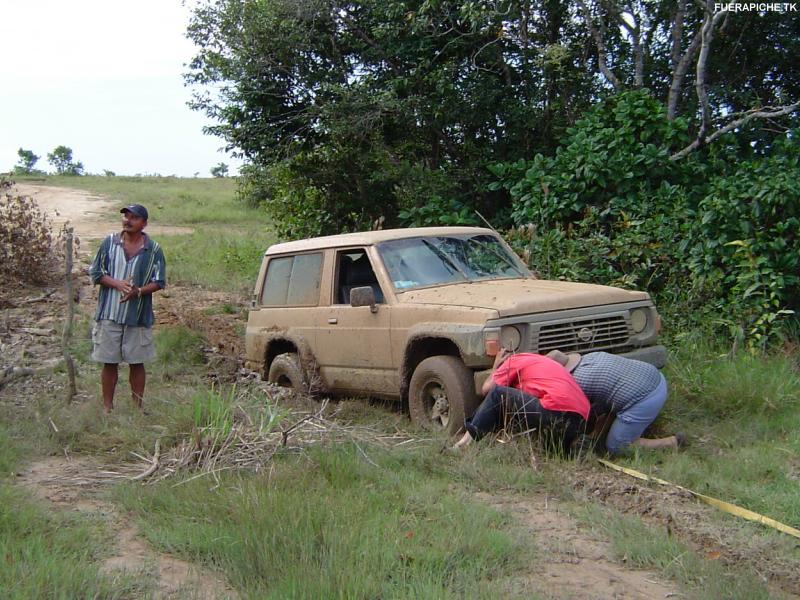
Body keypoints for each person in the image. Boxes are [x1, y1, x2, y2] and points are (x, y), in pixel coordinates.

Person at [89, 204, 166, 413]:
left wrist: (138, 291)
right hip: (109, 314)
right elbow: (96, 273)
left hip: (138, 315)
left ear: (144, 223)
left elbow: (159, 281)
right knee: (109, 362)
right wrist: (117, 284)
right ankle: (107, 408)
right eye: (126, 216)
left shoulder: (154, 249)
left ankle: (138, 407)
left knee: (137, 362)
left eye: (134, 218)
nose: (128, 221)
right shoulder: (109, 243)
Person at [547, 350, 685, 455]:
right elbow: (606, 404)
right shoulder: (592, 356)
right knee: (610, 400)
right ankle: (601, 439)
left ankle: (671, 443)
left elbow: (580, 416)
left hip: (647, 397)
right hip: (655, 377)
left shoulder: (577, 382)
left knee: (617, 446)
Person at [453, 349, 590, 452]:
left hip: (554, 408)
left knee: (497, 394)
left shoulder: (516, 360)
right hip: (582, 419)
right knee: (553, 452)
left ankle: (463, 444)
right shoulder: (553, 367)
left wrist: (495, 367)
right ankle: (571, 446)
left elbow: (487, 389)